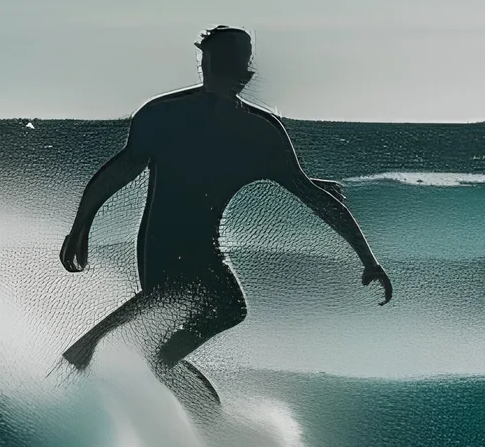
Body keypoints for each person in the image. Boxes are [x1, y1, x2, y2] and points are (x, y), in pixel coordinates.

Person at [59, 27, 392, 404]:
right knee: (174, 296)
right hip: (163, 240)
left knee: (223, 306)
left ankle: (153, 360)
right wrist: (80, 227)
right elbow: (118, 172)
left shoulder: (207, 121)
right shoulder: (244, 128)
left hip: (196, 241)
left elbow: (311, 195)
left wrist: (81, 226)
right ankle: (100, 350)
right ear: (238, 70)